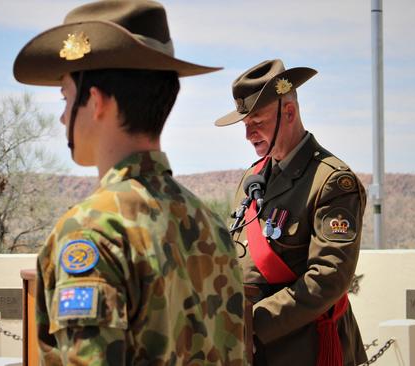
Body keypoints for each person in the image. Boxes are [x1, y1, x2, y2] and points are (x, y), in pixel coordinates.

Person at [13, 1, 246, 365]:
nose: (61, 117)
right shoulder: (210, 225)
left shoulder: (91, 231)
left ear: (95, 101)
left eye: (66, 98)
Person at [214, 59, 367, 365]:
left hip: (304, 347)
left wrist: (252, 324)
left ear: (290, 112)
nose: (249, 135)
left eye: (257, 121)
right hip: (252, 347)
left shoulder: (332, 181)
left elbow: (328, 279)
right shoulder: (252, 177)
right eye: (245, 125)